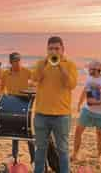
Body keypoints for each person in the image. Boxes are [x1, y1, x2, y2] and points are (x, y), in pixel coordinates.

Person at [32, 36, 78, 173]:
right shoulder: (41, 63)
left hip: (61, 115)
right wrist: (45, 63)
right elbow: (35, 78)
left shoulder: (70, 65)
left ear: (63, 49)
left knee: (62, 149)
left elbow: (71, 84)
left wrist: (60, 66)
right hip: (41, 114)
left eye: (57, 49)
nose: (53, 51)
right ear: (47, 50)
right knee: (40, 149)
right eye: (50, 49)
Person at [71, 61, 101, 161]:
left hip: (100, 113)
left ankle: (99, 156)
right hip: (87, 110)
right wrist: (79, 103)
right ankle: (74, 154)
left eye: (91, 69)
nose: (89, 71)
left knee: (99, 134)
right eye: (89, 69)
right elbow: (84, 90)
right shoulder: (89, 78)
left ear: (98, 70)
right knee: (78, 131)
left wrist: (97, 102)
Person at [0, 52, 35, 164]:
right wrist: (1, 97)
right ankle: (15, 156)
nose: (17, 63)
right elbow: (2, 88)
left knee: (28, 132)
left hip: (25, 102)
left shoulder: (27, 72)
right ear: (10, 62)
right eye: (15, 61)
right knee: (14, 131)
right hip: (12, 102)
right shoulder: (5, 73)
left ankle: (33, 159)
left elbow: (38, 81)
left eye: (19, 60)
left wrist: (32, 88)